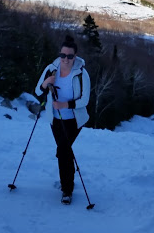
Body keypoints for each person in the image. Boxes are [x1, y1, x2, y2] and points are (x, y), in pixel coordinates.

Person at [35, 35, 91, 205]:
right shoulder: (51, 69)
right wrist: (46, 82)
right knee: (63, 151)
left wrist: (65, 105)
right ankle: (67, 183)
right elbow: (38, 92)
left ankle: (67, 190)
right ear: (60, 54)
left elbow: (85, 100)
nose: (66, 59)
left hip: (74, 120)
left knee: (64, 150)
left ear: (75, 57)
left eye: (70, 56)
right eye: (63, 55)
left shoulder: (82, 74)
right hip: (56, 119)